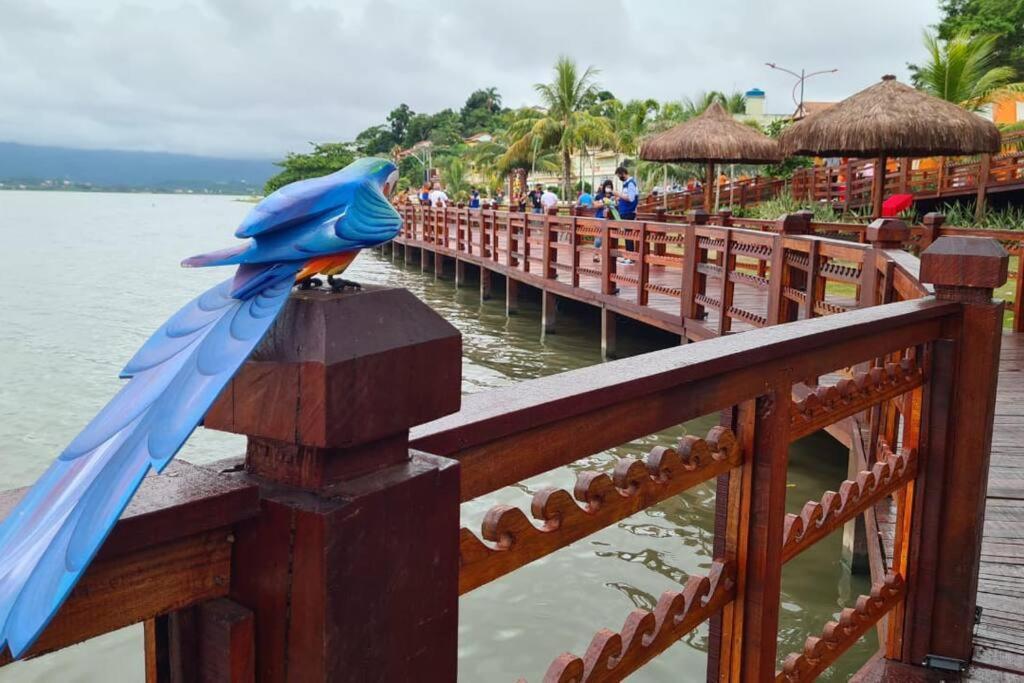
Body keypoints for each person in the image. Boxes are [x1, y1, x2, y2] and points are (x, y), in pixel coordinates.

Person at [613, 166, 639, 264]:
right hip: (624, 212)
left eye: (620, 175)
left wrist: (618, 194)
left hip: (628, 212)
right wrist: (618, 199)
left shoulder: (631, 184)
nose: (619, 177)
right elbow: (625, 197)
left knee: (628, 235)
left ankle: (631, 257)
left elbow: (631, 198)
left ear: (623, 173)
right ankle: (628, 256)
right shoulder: (625, 184)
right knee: (626, 234)